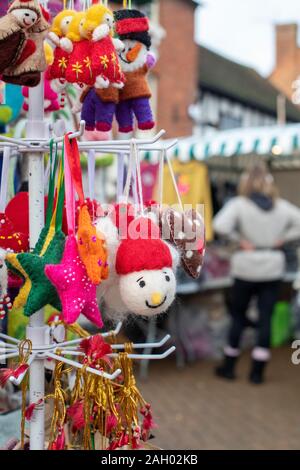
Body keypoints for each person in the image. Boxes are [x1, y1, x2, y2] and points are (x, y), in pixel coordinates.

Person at [213, 163, 300, 384]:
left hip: (245, 267)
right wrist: (284, 238)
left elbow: (219, 225)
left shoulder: (239, 205)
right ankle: (257, 372)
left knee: (238, 317)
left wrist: (239, 240)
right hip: (272, 266)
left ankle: (229, 366)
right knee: (265, 319)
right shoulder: (282, 207)